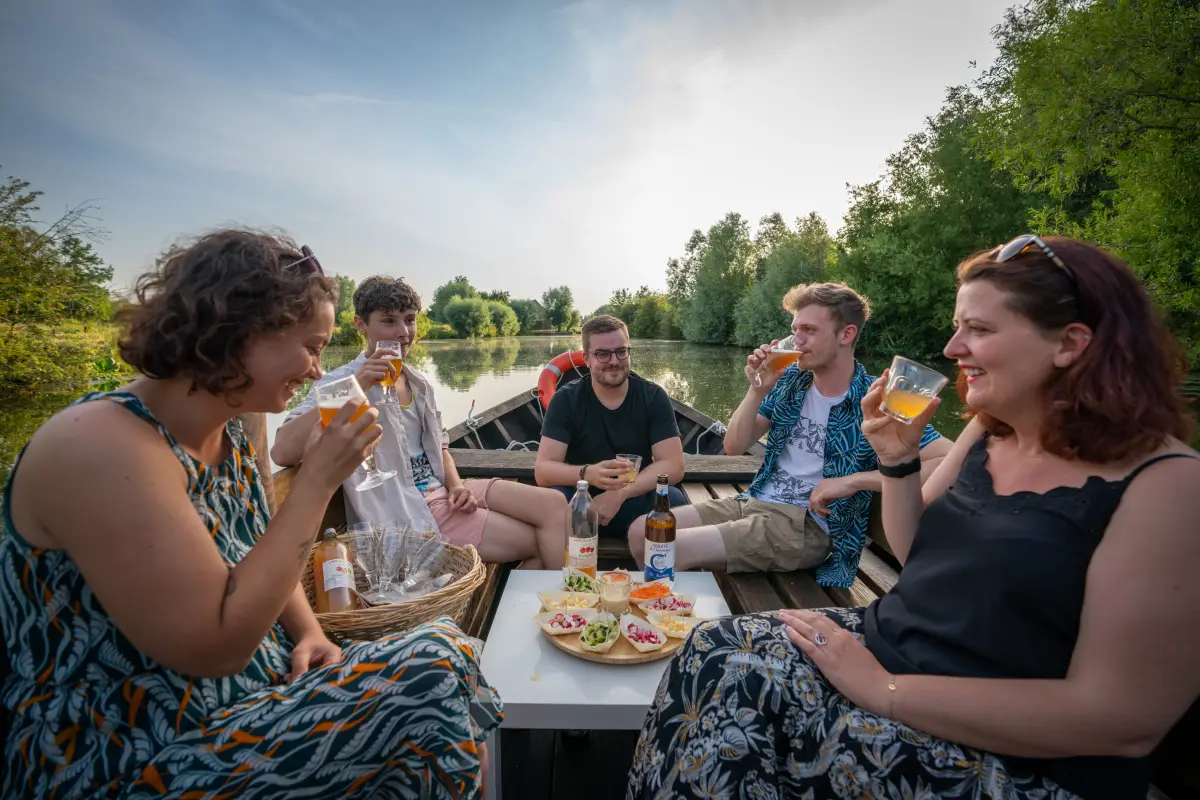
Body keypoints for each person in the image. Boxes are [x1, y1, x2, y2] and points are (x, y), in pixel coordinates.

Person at [626, 236, 1200, 800]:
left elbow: (1124, 720)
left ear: (1070, 343)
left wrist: (887, 689)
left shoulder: (1168, 485)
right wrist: (897, 462)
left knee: (730, 697)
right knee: (709, 650)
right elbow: (914, 549)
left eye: (978, 329)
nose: (952, 348)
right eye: (958, 326)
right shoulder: (987, 429)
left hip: (1006, 749)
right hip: (894, 642)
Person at [0, 230, 500, 799]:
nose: (317, 371)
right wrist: (316, 481)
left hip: (256, 689)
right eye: (311, 347)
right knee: (434, 670)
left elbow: (255, 545)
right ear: (237, 334)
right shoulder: (99, 445)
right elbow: (217, 648)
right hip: (125, 752)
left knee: (447, 657)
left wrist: (310, 632)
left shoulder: (232, 427)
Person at [630, 282, 952, 587]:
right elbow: (733, 445)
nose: (796, 341)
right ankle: (668, 621)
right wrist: (757, 390)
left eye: (809, 331)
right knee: (640, 532)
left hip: (806, 526)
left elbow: (947, 461)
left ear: (846, 334)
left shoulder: (876, 401)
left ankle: (663, 633)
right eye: (795, 330)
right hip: (754, 501)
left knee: (666, 546)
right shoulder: (791, 382)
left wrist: (853, 481)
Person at [273, 275, 567, 569]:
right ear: (360, 324)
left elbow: (439, 448)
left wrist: (455, 486)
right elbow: (283, 450)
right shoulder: (341, 382)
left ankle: (561, 606)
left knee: (554, 507)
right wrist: (359, 382)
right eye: (389, 321)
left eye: (410, 320)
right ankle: (563, 609)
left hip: (445, 493)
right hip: (410, 510)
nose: (403, 332)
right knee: (539, 541)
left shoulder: (420, 382)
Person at [534, 314, 687, 539]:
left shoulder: (653, 397)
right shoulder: (566, 399)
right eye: (603, 354)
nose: (614, 361)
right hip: (579, 500)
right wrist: (589, 474)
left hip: (632, 498)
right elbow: (543, 470)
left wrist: (619, 494)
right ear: (586, 358)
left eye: (621, 351)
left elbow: (674, 465)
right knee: (553, 500)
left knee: (673, 499)